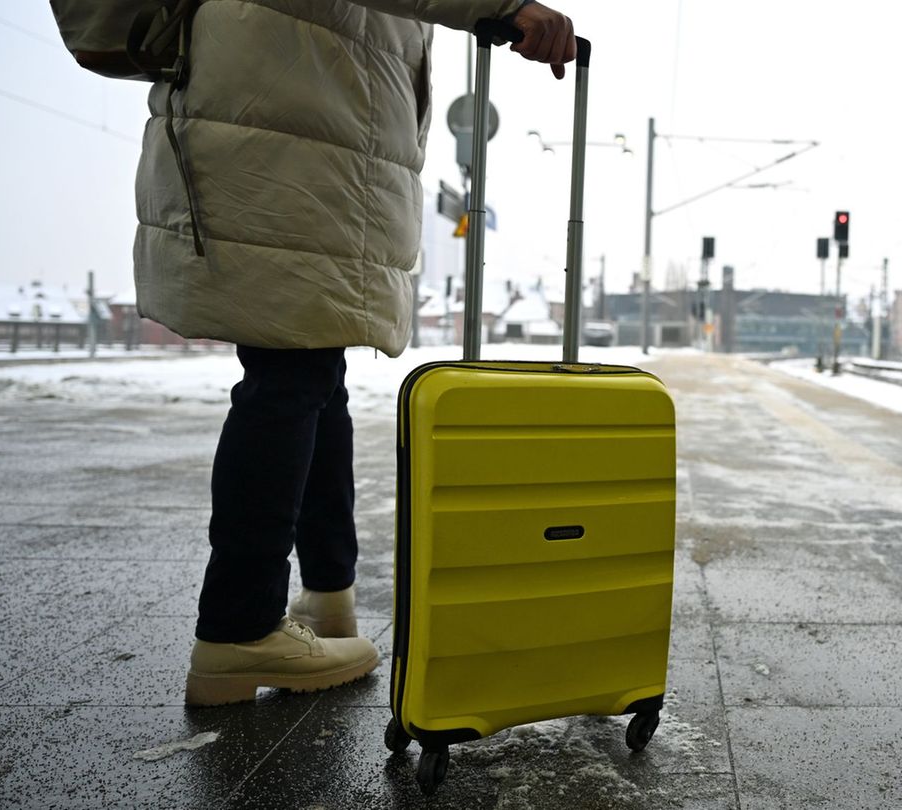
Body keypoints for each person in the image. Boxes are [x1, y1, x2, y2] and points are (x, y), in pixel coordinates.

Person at [135, 0, 577, 707]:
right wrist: (499, 6)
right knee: (289, 374)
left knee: (313, 369)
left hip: (313, 110)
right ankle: (237, 628)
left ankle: (327, 595)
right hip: (287, 117)